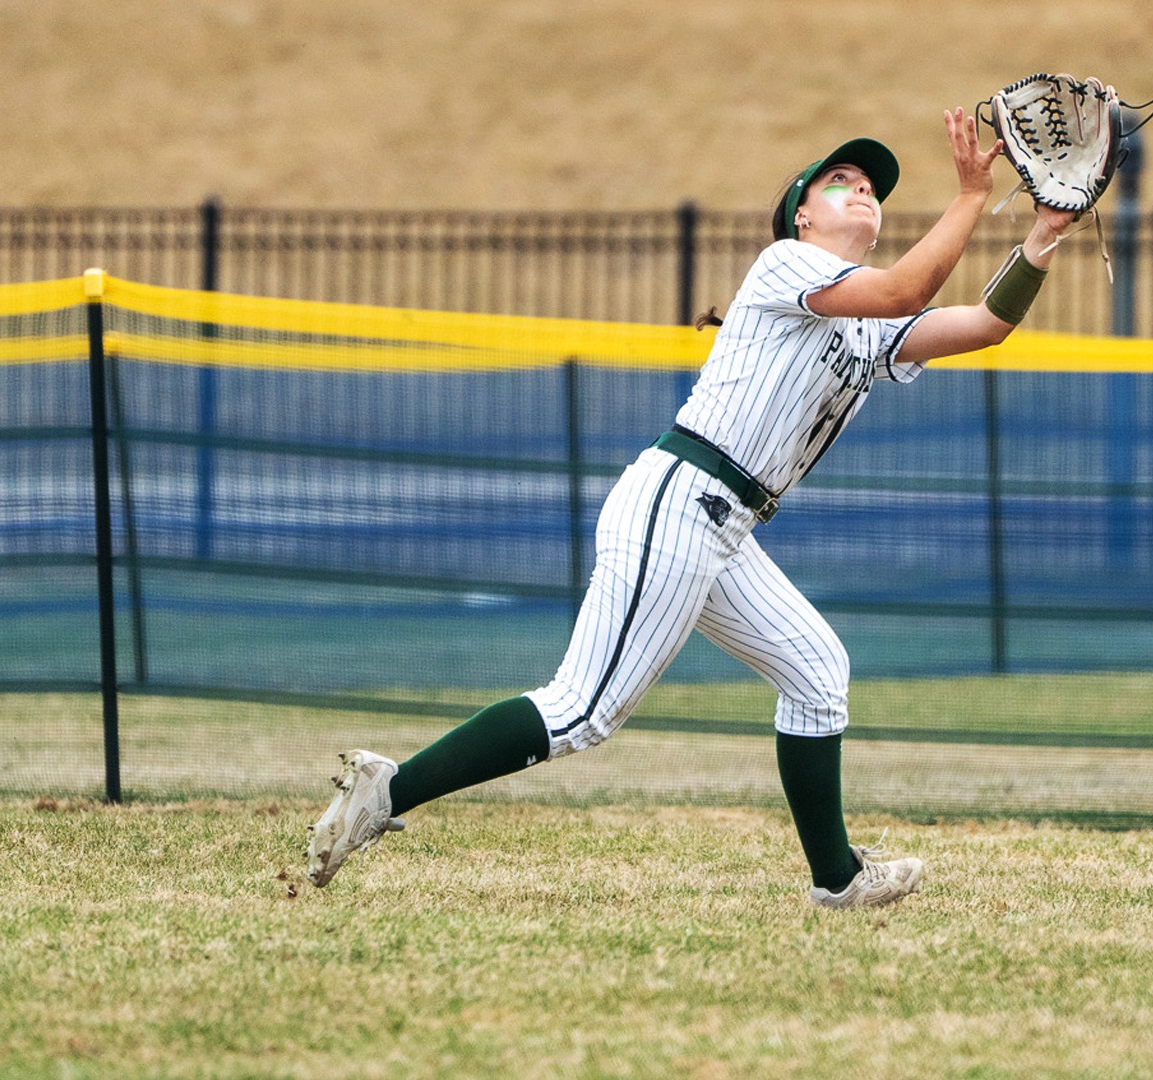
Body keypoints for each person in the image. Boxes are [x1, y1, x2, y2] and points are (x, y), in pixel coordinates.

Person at [307, 108, 1078, 908]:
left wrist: (1045, 234)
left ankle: (837, 879)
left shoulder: (861, 327)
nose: (862, 192)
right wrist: (969, 197)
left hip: (726, 525)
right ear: (801, 214)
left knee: (817, 674)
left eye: (872, 189)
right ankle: (388, 790)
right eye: (839, 181)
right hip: (680, 498)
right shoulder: (786, 264)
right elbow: (908, 288)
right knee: (583, 711)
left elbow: (985, 325)